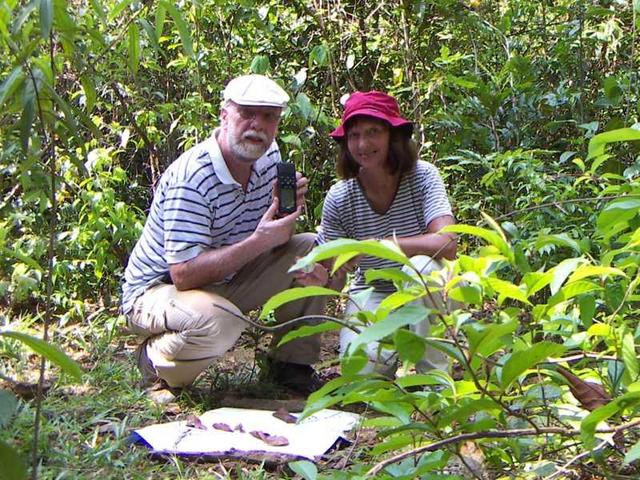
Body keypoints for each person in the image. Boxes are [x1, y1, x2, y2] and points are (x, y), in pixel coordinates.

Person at [122, 74, 324, 394]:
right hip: (156, 292)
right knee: (221, 322)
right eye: (247, 114)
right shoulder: (193, 177)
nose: (257, 126)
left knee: (312, 251)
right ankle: (154, 360)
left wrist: (284, 217)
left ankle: (290, 365)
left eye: (269, 117)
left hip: (224, 282)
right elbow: (183, 275)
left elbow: (278, 239)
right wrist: (261, 240)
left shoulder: (270, 158)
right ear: (225, 116)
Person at [296, 91, 457, 376]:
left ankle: (433, 377)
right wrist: (322, 278)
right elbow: (335, 273)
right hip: (375, 292)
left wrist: (379, 246)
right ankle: (391, 353)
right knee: (360, 373)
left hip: (428, 286)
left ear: (393, 137)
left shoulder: (422, 176)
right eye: (354, 135)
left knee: (420, 268)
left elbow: (447, 244)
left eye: (373, 132)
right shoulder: (341, 196)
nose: (363, 144)